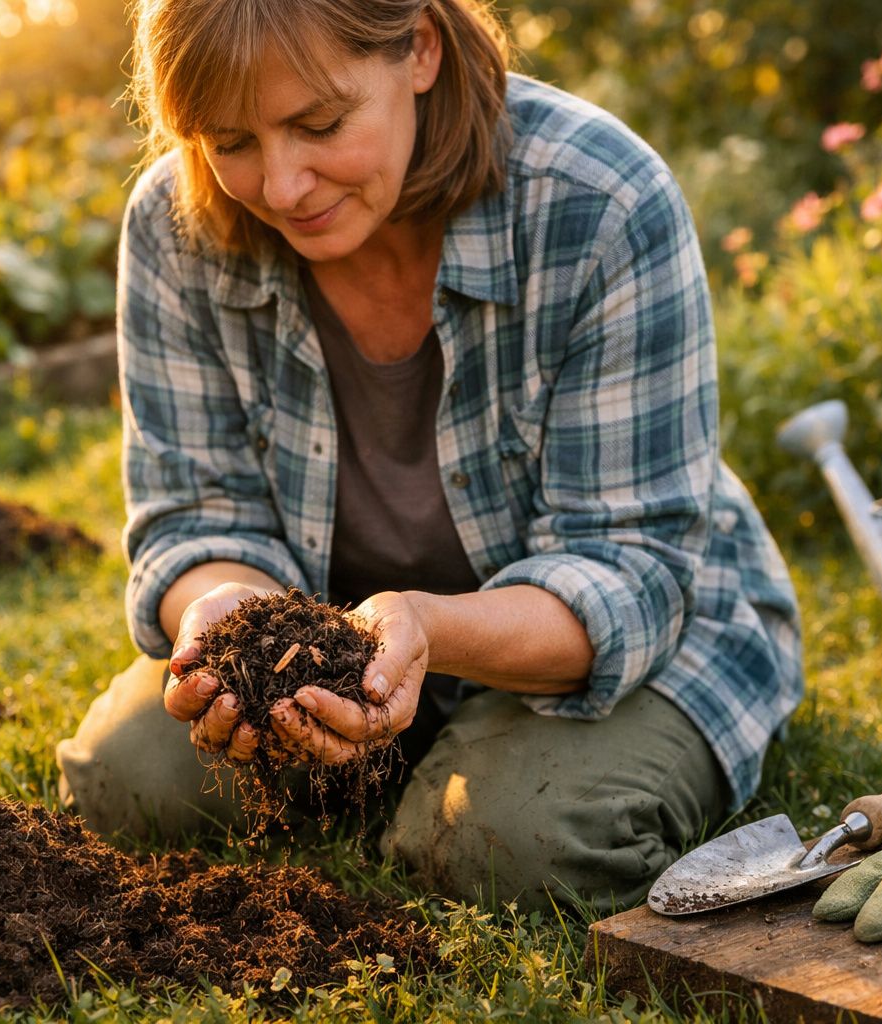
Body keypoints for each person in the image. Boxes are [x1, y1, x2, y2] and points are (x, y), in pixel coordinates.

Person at [56, 0, 803, 911]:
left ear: (418, 48)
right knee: (131, 781)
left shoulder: (599, 200)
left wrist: (426, 629)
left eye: (319, 124)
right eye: (231, 141)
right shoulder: (176, 223)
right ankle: (391, 747)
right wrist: (229, 617)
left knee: (508, 845)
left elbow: (626, 572)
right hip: (342, 640)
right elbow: (197, 514)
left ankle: (455, 762)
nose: (282, 187)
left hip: (618, 640)